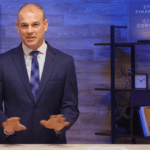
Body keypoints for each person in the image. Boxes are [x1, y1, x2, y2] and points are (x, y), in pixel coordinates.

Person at [0, 3, 79, 144]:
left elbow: (70, 107)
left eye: (35, 24)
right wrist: (6, 126)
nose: (29, 31)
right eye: (24, 25)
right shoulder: (3, 62)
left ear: (45, 25)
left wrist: (60, 125)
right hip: (13, 144)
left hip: (52, 144)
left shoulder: (65, 62)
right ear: (17, 27)